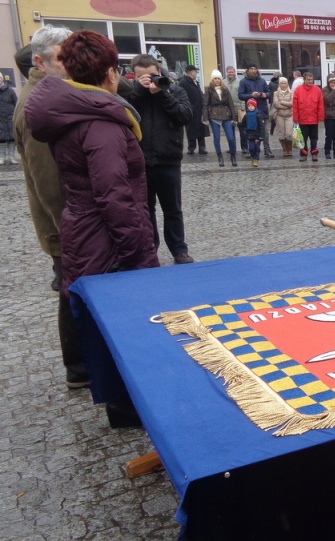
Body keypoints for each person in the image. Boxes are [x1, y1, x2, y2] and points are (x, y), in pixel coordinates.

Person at [24, 30, 160, 411]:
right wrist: (141, 254)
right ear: (110, 73)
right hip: (106, 238)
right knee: (121, 323)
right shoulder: (101, 121)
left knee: (103, 322)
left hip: (85, 228)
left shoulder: (78, 110)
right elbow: (112, 194)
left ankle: (120, 401)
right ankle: (126, 408)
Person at [14, 26, 78, 390]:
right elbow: (49, 182)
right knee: (73, 292)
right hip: (65, 225)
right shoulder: (38, 103)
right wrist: (71, 229)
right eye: (61, 59)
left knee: (74, 290)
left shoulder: (51, 92)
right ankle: (80, 369)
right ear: (39, 61)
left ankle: (81, 367)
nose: (68, 66)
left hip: (68, 224)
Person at [128, 53, 195, 265]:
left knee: (173, 208)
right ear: (135, 77)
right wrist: (139, 90)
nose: (150, 80)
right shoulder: (131, 93)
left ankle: (179, 250)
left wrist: (161, 94)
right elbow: (123, 113)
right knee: (145, 209)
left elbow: (185, 115)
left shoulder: (175, 90)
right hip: (141, 161)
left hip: (168, 159)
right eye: (143, 77)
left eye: (152, 75)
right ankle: (150, 249)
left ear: (159, 71)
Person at [238, 64, 274, 158]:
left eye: (255, 69)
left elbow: (269, 93)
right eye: (251, 69)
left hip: (262, 109)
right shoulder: (243, 81)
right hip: (251, 111)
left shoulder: (262, 81)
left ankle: (267, 150)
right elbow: (240, 95)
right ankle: (251, 150)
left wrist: (264, 95)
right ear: (248, 70)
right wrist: (251, 95)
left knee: (265, 132)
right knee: (251, 131)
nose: (254, 70)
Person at [203, 69, 237, 167]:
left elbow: (231, 104)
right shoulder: (209, 90)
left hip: (226, 115)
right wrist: (205, 118)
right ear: (212, 80)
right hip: (214, 116)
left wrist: (234, 117)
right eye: (215, 78)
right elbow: (205, 104)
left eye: (218, 78)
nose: (217, 80)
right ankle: (220, 158)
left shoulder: (225, 90)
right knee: (217, 138)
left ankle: (233, 157)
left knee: (231, 138)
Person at [292, 71, 324, 162]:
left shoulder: (317, 90)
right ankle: (303, 154)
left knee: (314, 138)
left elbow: (320, 104)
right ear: (304, 80)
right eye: (308, 80)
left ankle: (314, 154)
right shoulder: (298, 90)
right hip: (303, 119)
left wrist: (320, 117)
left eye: (311, 79)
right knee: (303, 139)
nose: (310, 81)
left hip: (314, 119)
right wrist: (295, 118)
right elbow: (295, 106)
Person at [180, 65, 206, 155]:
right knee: (191, 130)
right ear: (190, 72)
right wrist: (189, 106)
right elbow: (182, 96)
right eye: (195, 71)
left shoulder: (195, 82)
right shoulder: (184, 82)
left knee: (201, 129)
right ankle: (191, 147)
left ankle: (202, 147)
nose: (196, 73)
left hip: (199, 110)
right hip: (191, 110)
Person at [225, 65, 247, 155]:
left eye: (232, 72)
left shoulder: (240, 82)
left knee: (242, 129)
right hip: (228, 109)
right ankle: (232, 147)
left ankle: (244, 147)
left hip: (239, 109)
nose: (231, 73)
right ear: (226, 73)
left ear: (235, 73)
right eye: (229, 72)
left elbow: (242, 95)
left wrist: (243, 106)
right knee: (230, 130)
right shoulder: (223, 82)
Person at [272, 77, 295, 157]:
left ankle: (290, 149)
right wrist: (286, 104)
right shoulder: (276, 93)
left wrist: (281, 102)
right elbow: (276, 104)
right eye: (281, 83)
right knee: (282, 134)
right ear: (279, 84)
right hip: (279, 115)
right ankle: (285, 149)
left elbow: (292, 103)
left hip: (289, 115)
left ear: (287, 84)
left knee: (289, 133)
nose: (283, 85)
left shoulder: (292, 92)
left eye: (285, 83)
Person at [0, 75, 17, 166]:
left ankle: (11, 157)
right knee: (1, 140)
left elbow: (16, 103)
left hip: (10, 119)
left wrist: (14, 115)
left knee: (12, 138)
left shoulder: (10, 91)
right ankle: (1, 157)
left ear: (2, 79)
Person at [243, 98, 263, 167]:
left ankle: (256, 159)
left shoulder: (258, 115)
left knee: (257, 148)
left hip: (257, 135)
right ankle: (252, 156)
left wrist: (261, 135)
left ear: (255, 106)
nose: (250, 107)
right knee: (251, 148)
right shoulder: (246, 116)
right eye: (249, 106)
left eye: (252, 106)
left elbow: (261, 126)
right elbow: (243, 124)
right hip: (250, 135)